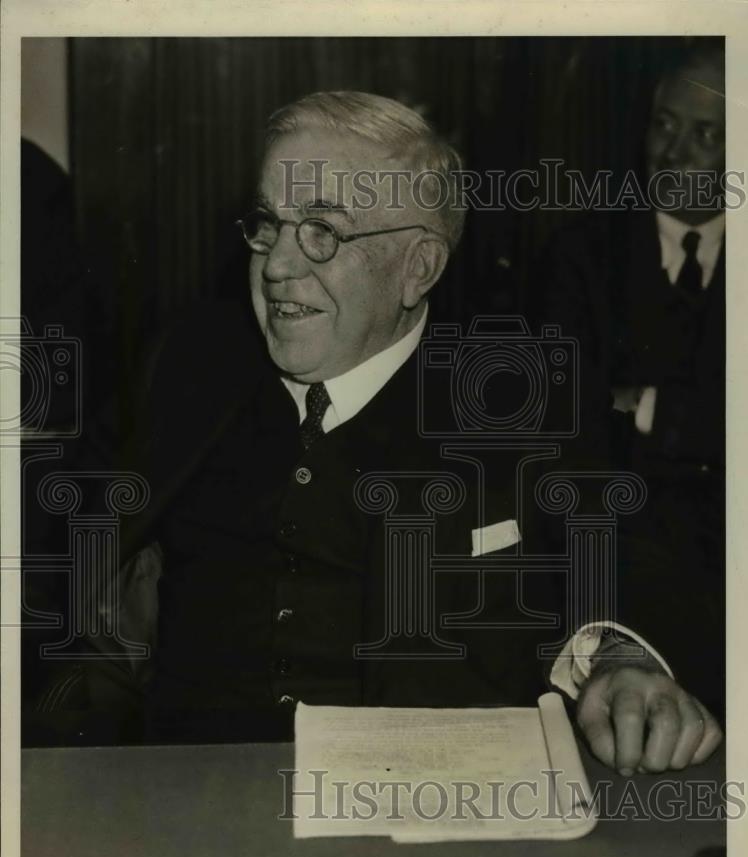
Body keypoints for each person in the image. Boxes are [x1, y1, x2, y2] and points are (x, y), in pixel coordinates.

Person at [30, 91, 722, 775]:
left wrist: (625, 657)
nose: (276, 266)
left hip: (419, 826)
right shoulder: (188, 362)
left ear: (417, 267)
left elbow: (632, 550)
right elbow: (59, 543)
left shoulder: (516, 394)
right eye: (269, 224)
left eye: (323, 232)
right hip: (185, 801)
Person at [535, 41, 726, 717]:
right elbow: (567, 436)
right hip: (624, 579)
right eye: (663, 124)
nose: (673, 151)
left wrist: (646, 408)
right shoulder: (581, 256)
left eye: (706, 132)